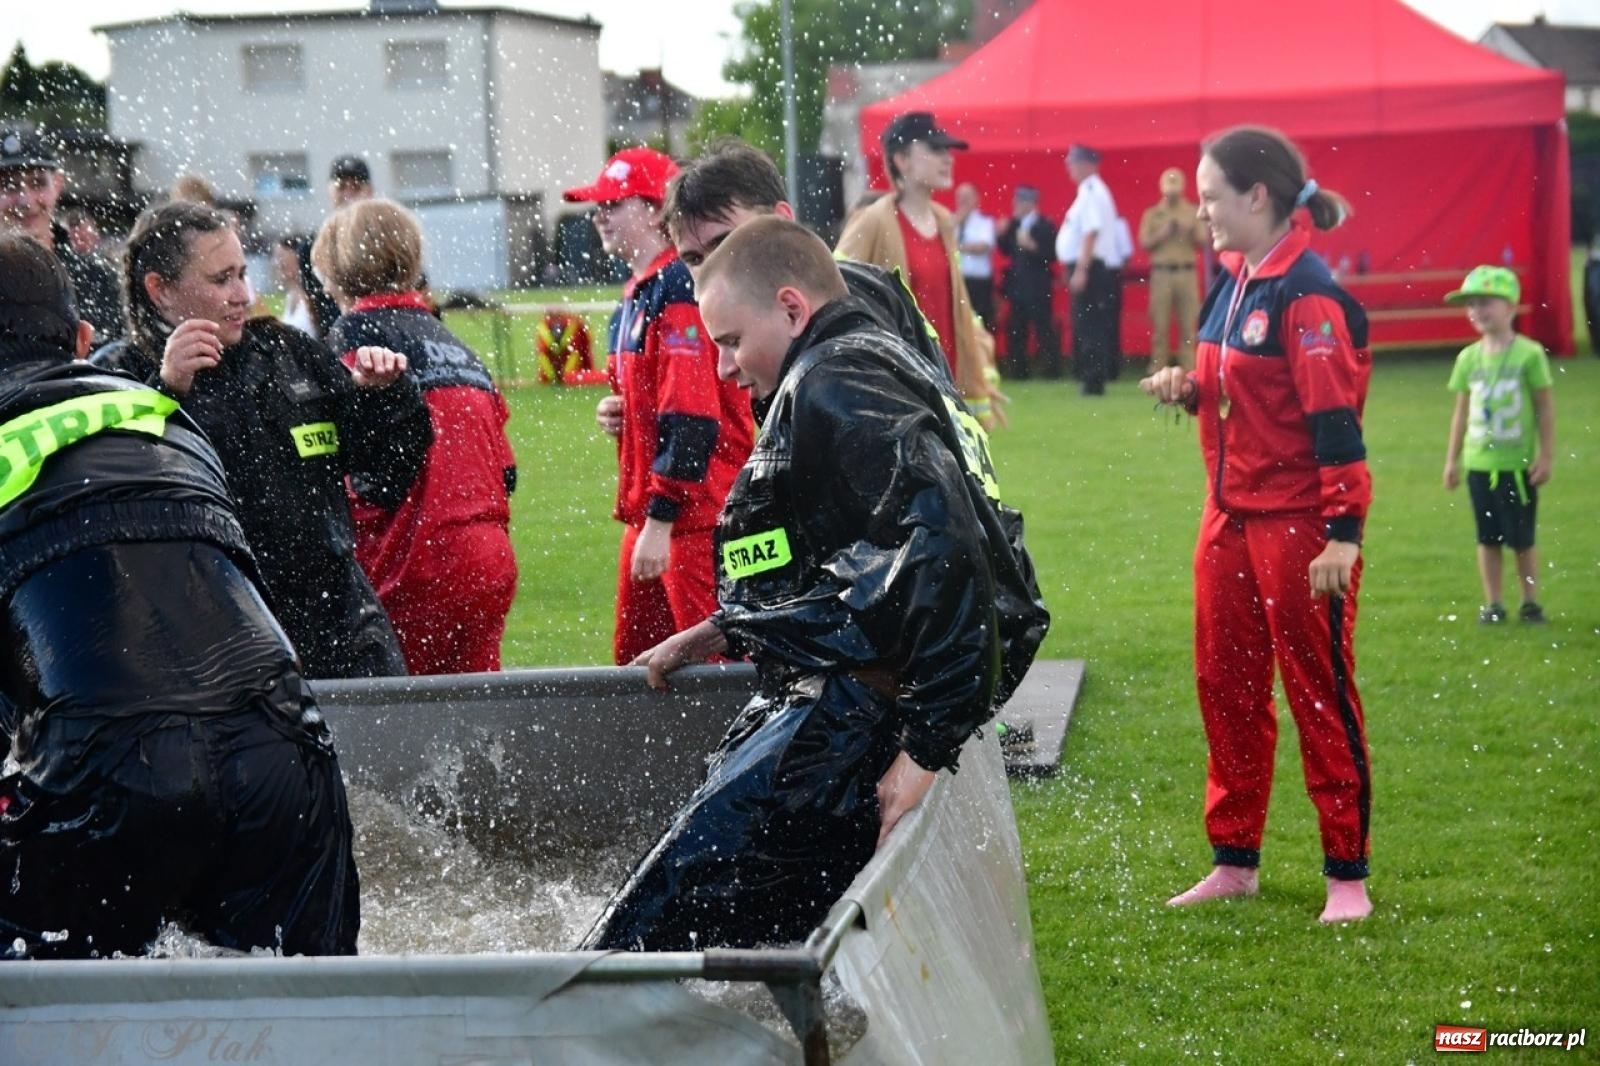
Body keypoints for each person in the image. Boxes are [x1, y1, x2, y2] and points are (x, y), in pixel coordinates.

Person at [582, 217, 1047, 951]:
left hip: (850, 714)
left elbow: (950, 560)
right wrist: (728, 626)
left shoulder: (840, 385)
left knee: (653, 929)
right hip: (846, 696)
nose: (727, 368)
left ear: (793, 308)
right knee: (726, 922)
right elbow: (852, 557)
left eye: (732, 341)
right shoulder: (853, 343)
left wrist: (923, 752)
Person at [0, 234, 358, 959]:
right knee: (318, 1025)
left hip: (108, 762)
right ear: (80, 339)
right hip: (286, 751)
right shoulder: (158, 412)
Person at [1141, 126, 1374, 923]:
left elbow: (1335, 421)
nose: (1201, 211)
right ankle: (1233, 861)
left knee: (1318, 694)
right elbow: (1243, 386)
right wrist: (1189, 387)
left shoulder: (1304, 293)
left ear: (1257, 197)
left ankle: (1347, 876)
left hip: (1300, 529)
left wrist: (1344, 534)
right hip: (1229, 518)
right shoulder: (1235, 277)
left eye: (1210, 197)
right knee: (1226, 688)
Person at [93, 201, 431, 679]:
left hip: (338, 627)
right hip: (212, 646)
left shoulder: (285, 352)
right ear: (160, 291)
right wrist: (166, 394)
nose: (243, 295)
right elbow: (117, 506)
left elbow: (386, 475)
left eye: (243, 273)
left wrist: (387, 398)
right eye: (221, 279)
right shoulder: (119, 375)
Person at [314, 199, 520, 673]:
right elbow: (505, 471)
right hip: (485, 559)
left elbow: (346, 464)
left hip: (410, 560)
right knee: (473, 721)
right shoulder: (457, 346)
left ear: (336, 270)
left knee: (400, 724)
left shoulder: (353, 339)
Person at [567, 147, 755, 666]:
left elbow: (693, 414)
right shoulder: (639, 290)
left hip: (693, 518)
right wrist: (625, 413)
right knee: (636, 673)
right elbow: (668, 395)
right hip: (660, 515)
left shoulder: (677, 283)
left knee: (712, 677)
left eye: (613, 202)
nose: (598, 214)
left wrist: (661, 519)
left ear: (655, 210)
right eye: (596, 204)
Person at [665, 136, 955, 391]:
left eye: (725, 244)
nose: (708, 273)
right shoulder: (769, 324)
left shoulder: (849, 315)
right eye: (693, 259)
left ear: (781, 219)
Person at [836, 111, 1004, 426]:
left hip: (947, 384)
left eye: (947, 150)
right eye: (935, 150)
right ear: (902, 159)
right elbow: (833, 294)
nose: (948, 159)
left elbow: (960, 307)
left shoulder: (944, 222)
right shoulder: (873, 221)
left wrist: (979, 353)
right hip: (899, 389)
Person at [1441, 265, 1555, 625]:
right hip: (1479, 466)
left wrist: (1545, 455)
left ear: (1509, 306)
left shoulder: (1529, 354)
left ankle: (1530, 601)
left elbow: (1544, 408)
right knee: (1487, 537)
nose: (1477, 310)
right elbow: (1461, 413)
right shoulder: (1468, 358)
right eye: (1471, 304)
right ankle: (1493, 603)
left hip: (1517, 466)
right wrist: (1452, 460)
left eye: (1485, 302)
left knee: (1522, 539)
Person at [0, 127, 122, 342]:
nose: (25, 201)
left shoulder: (99, 279)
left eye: (37, 183)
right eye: (9, 186)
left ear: (57, 184)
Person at [1056, 144, 1121, 394]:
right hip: (1089, 264)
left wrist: (1081, 269)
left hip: (1090, 265)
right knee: (1088, 322)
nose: (1069, 168)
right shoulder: (1090, 190)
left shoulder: (1091, 191)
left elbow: (1090, 232)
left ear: (1086, 164)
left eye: (1073, 162)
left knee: (1089, 324)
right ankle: (1092, 376)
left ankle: (1093, 380)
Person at [1139, 167, 1206, 371]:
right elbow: (1144, 243)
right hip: (1162, 274)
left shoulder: (1193, 212)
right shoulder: (1153, 214)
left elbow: (1204, 241)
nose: (1172, 194)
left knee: (1189, 325)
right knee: (1160, 325)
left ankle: (1190, 370)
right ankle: (1158, 369)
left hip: (1186, 272)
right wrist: (1163, 232)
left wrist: (1191, 230)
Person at [995, 185, 1061, 379]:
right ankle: (1019, 370)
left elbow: (1052, 255)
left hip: (1039, 287)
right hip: (1017, 286)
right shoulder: (1014, 225)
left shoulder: (1045, 225)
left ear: (1030, 203)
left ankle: (1051, 370)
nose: (1015, 206)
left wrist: (1033, 246)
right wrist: (1001, 234)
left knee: (1043, 329)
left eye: (1019, 202)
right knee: (1016, 330)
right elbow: (1006, 251)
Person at [954, 181, 997, 331]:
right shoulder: (951, 221)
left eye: (967, 196)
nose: (963, 200)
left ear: (976, 199)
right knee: (958, 320)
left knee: (980, 320)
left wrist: (958, 246)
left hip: (978, 281)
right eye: (960, 196)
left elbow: (983, 247)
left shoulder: (984, 222)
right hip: (958, 279)